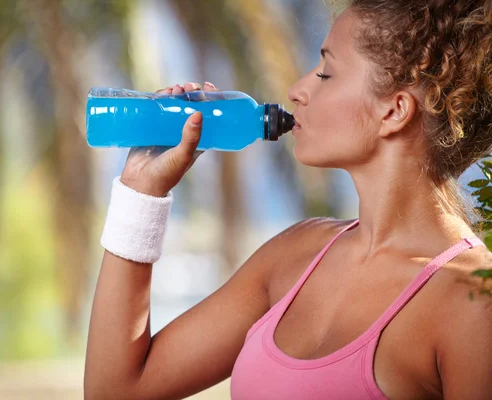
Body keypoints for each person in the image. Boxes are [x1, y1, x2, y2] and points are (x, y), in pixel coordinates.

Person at [84, 0, 492, 398]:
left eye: (326, 73)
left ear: (394, 110)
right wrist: (142, 192)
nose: (297, 90)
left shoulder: (472, 302)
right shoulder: (294, 256)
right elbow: (116, 390)